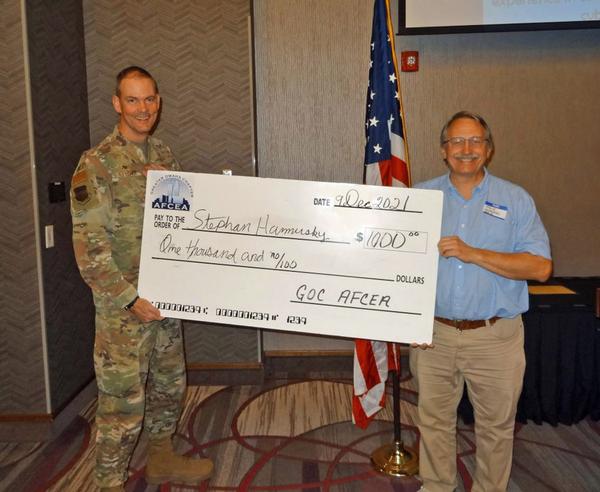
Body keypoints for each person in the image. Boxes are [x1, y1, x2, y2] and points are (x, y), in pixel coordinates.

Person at [70, 66, 213, 491]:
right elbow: (90, 252)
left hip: (166, 300)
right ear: (117, 104)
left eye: (149, 99)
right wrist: (131, 300)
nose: (142, 108)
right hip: (123, 311)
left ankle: (162, 458)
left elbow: (183, 226)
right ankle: (109, 482)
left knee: (170, 384)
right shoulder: (95, 164)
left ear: (158, 101)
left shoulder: (165, 157)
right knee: (122, 404)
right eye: (132, 100)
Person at [410, 111, 552, 492]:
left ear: (488, 150)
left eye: (475, 142)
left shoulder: (515, 199)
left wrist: (474, 253)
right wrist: (411, 321)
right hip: (433, 336)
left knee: (495, 428)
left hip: (495, 338)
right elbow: (399, 267)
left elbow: (540, 267)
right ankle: (438, 485)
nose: (466, 150)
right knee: (434, 422)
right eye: (457, 141)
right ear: (444, 150)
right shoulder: (420, 198)